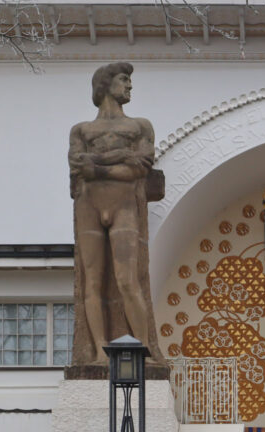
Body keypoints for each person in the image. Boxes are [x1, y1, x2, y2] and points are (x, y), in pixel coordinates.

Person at [68, 62, 162, 366]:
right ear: (106, 84)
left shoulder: (140, 126)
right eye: (124, 80)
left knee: (127, 280)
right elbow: (77, 165)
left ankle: (145, 350)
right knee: (91, 281)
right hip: (89, 206)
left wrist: (97, 166)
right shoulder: (82, 129)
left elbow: (139, 166)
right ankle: (98, 351)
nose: (130, 86)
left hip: (123, 206)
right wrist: (119, 155)